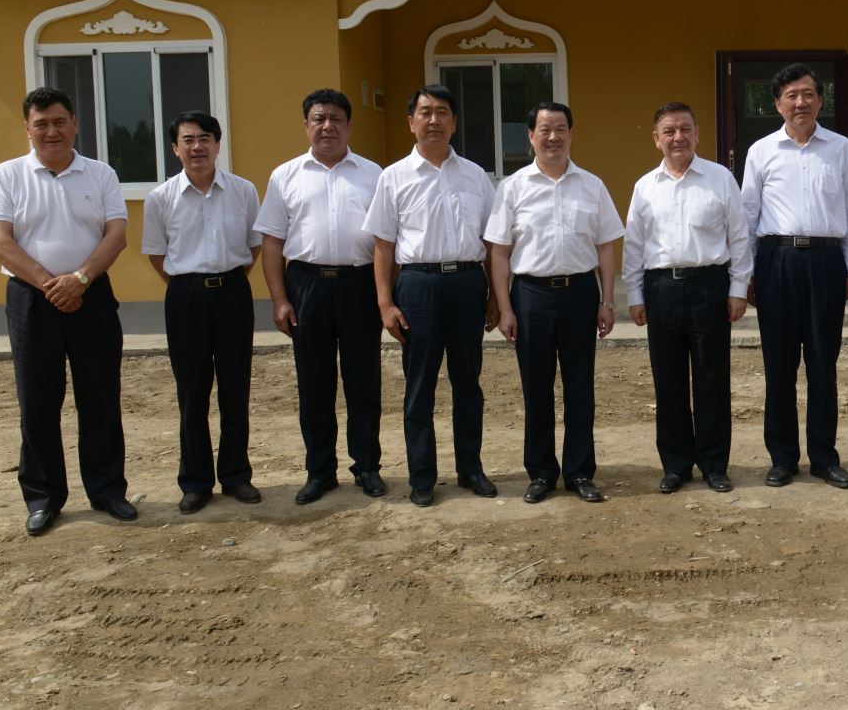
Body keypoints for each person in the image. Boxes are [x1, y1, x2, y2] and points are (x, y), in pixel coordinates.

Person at [0, 87, 131, 536]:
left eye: (59, 122)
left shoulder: (100, 174)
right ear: (27, 128)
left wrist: (80, 279)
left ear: (75, 124)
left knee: (100, 397)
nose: (52, 131)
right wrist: (52, 284)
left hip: (92, 296)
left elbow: (116, 234)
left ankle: (107, 490)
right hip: (33, 301)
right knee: (38, 403)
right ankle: (44, 497)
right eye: (41, 124)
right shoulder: (7, 175)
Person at [364, 85, 499, 508]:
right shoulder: (393, 177)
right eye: (425, 112)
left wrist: (497, 296)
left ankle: (470, 469)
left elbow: (492, 241)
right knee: (419, 386)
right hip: (417, 286)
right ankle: (422, 477)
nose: (434, 120)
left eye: (442, 112)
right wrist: (385, 303)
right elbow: (383, 245)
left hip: (467, 283)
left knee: (468, 382)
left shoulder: (475, 176)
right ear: (411, 122)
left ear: (454, 122)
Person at [485, 101, 624, 504]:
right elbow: (499, 253)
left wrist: (607, 301)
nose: (552, 137)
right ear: (530, 136)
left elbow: (606, 246)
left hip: (580, 293)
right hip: (531, 296)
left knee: (580, 386)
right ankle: (542, 472)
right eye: (544, 129)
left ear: (570, 134)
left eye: (560, 129)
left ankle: (580, 472)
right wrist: (505, 308)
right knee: (537, 387)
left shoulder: (592, 185)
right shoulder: (513, 187)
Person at [255, 88, 385, 505]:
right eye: (319, 119)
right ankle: (320, 470)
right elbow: (272, 242)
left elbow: (387, 241)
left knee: (363, 380)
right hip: (306, 285)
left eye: (336, 119)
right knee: (314, 383)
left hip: (359, 284)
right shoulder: (285, 175)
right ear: (306, 125)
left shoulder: (373, 174)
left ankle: (367, 466)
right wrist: (279, 299)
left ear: (349, 125)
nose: (327, 126)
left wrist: (385, 296)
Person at [741, 63, 848, 489]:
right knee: (778, 364)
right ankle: (782, 458)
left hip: (826, 262)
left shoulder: (840, 149)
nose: (800, 102)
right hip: (776, 261)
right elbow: (748, 216)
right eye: (791, 96)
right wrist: (749, 274)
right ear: (777, 104)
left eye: (808, 94)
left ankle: (824, 457)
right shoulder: (761, 152)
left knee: (823, 363)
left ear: (821, 100)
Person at [623, 101, 751, 494]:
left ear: (697, 133)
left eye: (685, 129)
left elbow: (739, 236)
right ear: (656, 138)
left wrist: (738, 289)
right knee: (669, 381)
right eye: (669, 131)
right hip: (661, 288)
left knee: (712, 378)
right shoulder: (645, 186)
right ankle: (676, 465)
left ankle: (714, 464)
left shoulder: (720, 179)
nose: (678, 137)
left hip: (709, 286)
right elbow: (634, 244)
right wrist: (635, 294)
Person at [141, 111, 263, 514]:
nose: (197, 147)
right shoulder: (161, 198)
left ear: (217, 144)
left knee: (235, 388)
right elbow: (157, 254)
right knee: (192, 392)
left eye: (205, 139)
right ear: (175, 148)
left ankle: (236, 475)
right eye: (188, 140)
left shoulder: (243, 191)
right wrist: (188, 285)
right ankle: (195, 481)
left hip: (233, 295)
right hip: (185, 299)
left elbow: (254, 245)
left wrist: (226, 281)